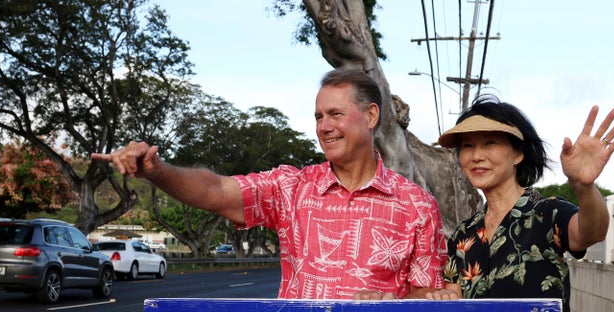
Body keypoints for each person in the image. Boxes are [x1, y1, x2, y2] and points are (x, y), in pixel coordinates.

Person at [92, 69, 447, 299]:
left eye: (335, 114)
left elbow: (426, 295)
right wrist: (157, 170)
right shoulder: (291, 188)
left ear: (371, 116)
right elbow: (217, 190)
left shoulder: (417, 205)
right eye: (318, 117)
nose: (324, 127)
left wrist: (390, 303)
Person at [426, 95, 614, 312]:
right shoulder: (463, 234)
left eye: (490, 143)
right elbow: (454, 292)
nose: (477, 156)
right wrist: (441, 297)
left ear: (518, 154)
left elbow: (591, 232)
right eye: (467, 146)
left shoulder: (547, 213)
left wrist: (583, 186)